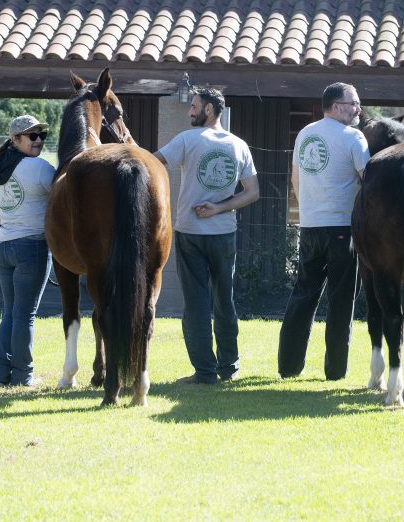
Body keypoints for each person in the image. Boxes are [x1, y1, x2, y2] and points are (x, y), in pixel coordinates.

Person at [154, 87, 259, 384]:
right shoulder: (239, 145)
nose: (190, 111)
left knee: (197, 304)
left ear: (209, 110)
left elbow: (153, 162)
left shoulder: (187, 139)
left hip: (190, 233)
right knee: (224, 301)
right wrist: (220, 209)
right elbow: (253, 193)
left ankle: (204, 372)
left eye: (195, 107)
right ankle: (229, 367)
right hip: (224, 234)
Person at [278, 82, 370, 380]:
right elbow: (368, 181)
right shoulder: (353, 137)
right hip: (342, 227)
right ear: (335, 105)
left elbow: (295, 180)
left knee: (303, 294)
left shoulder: (305, 134)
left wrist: (309, 209)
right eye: (353, 103)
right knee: (341, 299)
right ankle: (334, 371)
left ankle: (289, 367)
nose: (358, 109)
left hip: (309, 225)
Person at [0, 114, 55, 387]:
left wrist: (13, 219)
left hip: (3, 247)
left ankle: (0, 374)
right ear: (15, 140)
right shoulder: (40, 168)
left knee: (11, 312)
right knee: (25, 314)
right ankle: (23, 374)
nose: (38, 140)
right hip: (32, 247)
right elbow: (65, 198)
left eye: (41, 136)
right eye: (32, 136)